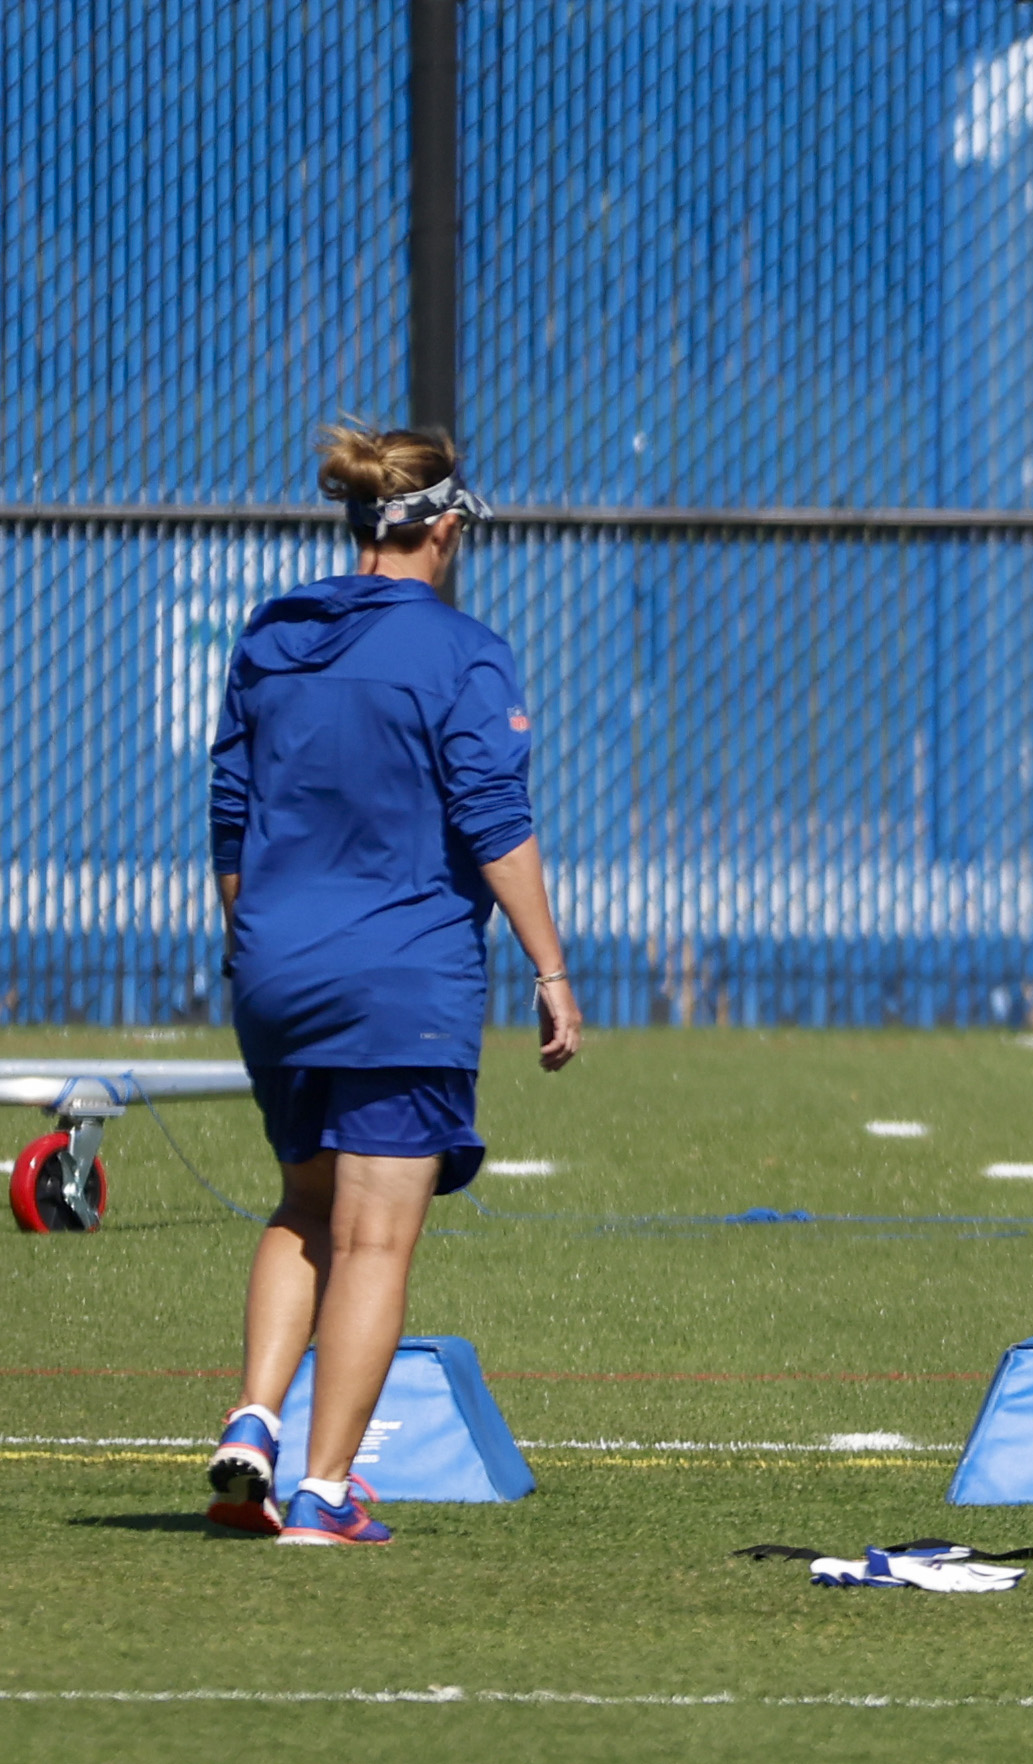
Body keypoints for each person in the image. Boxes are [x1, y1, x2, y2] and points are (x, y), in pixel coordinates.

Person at [200, 425, 582, 1543]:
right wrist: (549, 967)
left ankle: (255, 1419)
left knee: (300, 1207)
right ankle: (322, 1489)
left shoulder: (273, 634)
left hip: (272, 966)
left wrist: (265, 946)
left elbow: (232, 819)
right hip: (400, 975)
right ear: (446, 530)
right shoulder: (464, 652)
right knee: (373, 1241)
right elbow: (494, 820)